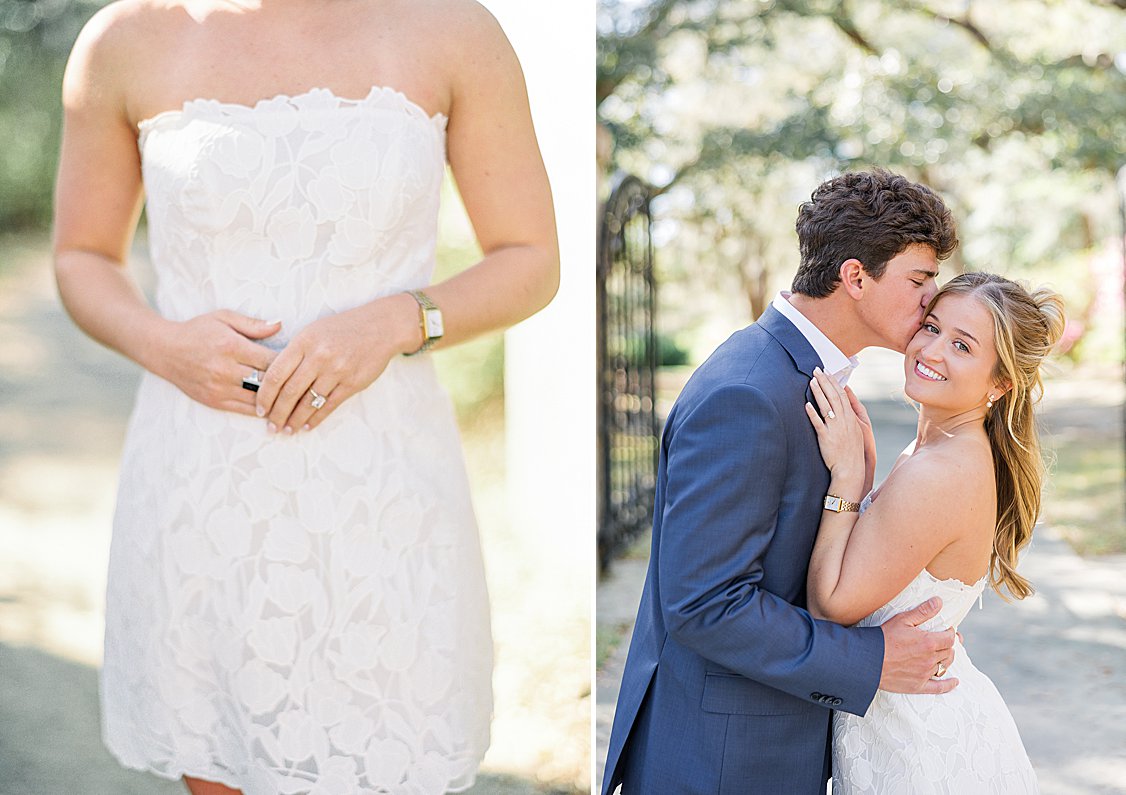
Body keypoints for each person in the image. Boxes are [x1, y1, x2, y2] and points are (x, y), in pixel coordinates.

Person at [52, 0, 559, 792]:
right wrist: (163, 343)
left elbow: (531, 257)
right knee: (219, 763)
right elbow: (82, 255)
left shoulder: (453, 29)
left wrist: (399, 319)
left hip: (384, 492)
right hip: (204, 481)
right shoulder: (126, 39)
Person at [602, 169, 962, 795]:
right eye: (919, 280)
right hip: (721, 762)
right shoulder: (748, 392)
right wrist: (872, 660)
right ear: (855, 277)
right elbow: (704, 603)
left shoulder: (801, 375)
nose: (931, 299)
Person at [805, 271, 1061, 793]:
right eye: (931, 326)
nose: (932, 349)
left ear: (999, 383)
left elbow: (831, 604)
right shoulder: (934, 451)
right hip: (903, 725)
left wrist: (848, 482)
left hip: (918, 749)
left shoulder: (939, 471)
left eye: (962, 346)